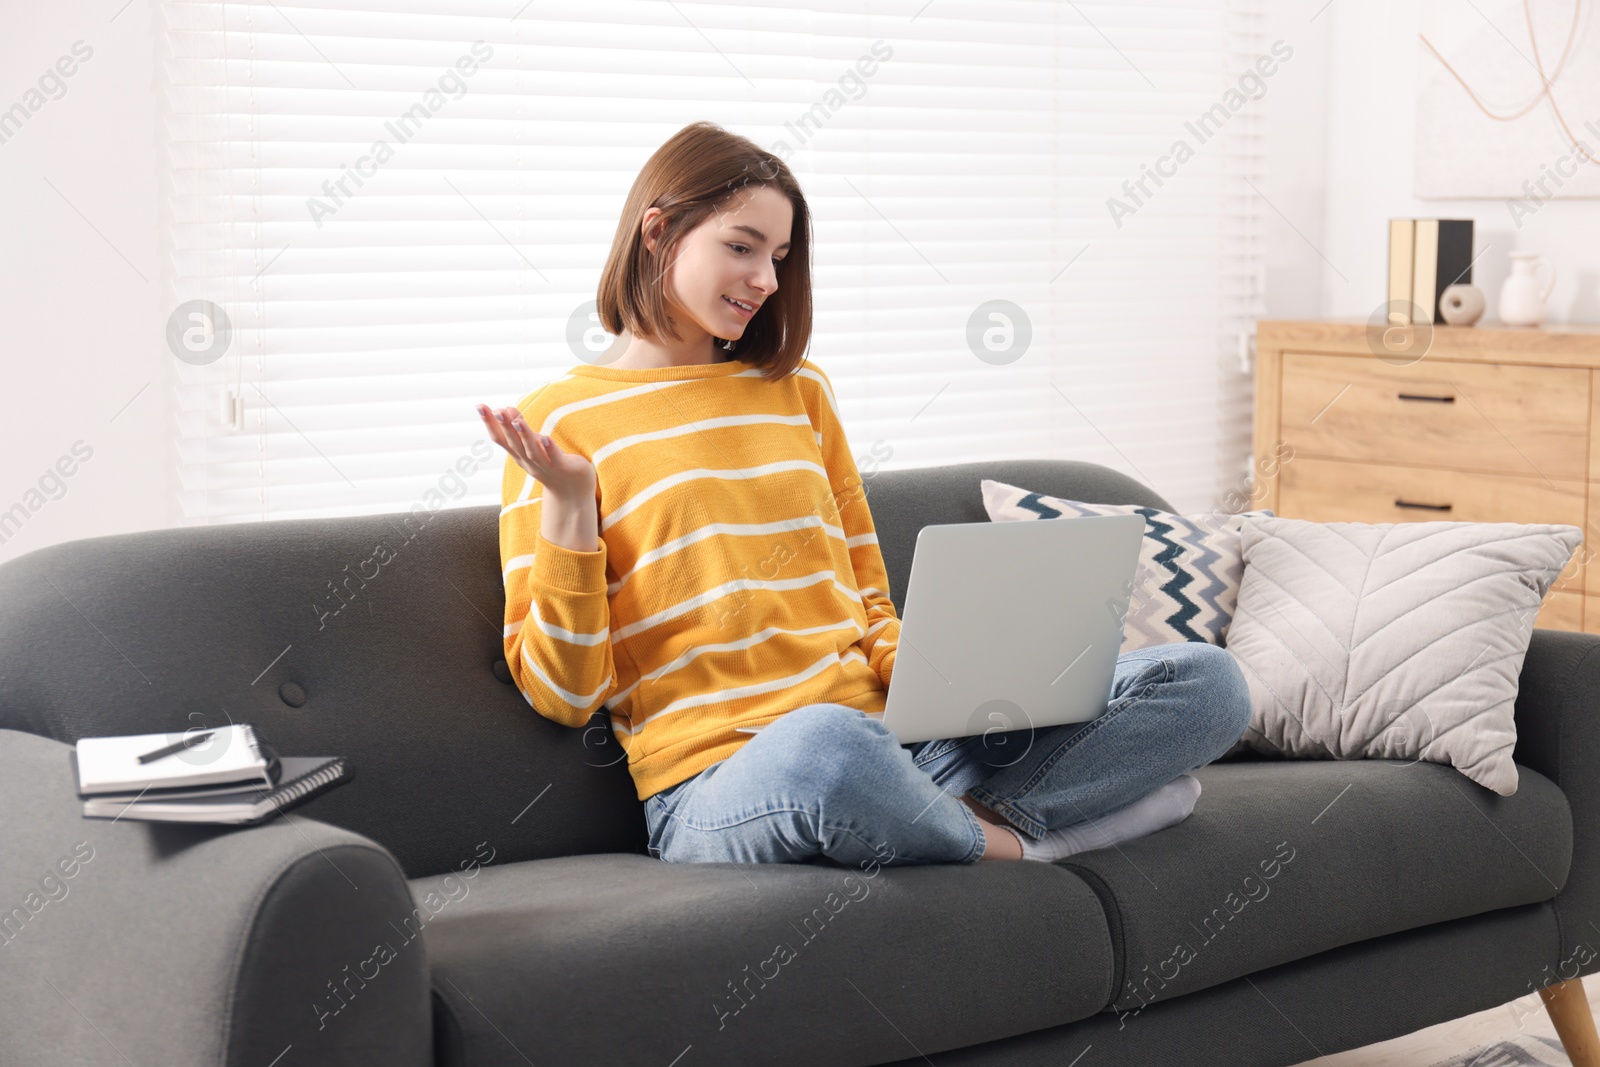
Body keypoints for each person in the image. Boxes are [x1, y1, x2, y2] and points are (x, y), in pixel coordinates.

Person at [476, 120, 1252, 868]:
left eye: (778, 255)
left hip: (900, 748)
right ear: (656, 233)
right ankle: (1027, 842)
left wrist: (952, 685)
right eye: (741, 247)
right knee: (825, 745)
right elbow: (564, 695)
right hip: (727, 781)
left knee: (1205, 681)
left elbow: (866, 599)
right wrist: (572, 507)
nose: (766, 281)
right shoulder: (556, 425)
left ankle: (957, 821)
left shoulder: (798, 392)